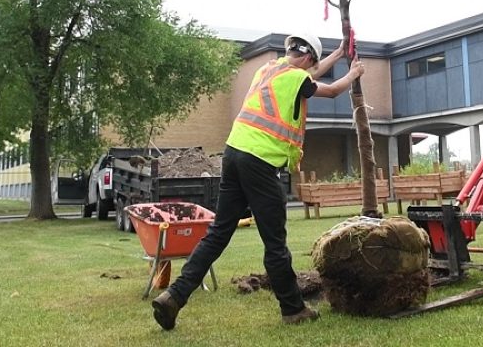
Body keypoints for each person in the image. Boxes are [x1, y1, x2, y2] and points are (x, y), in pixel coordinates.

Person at [152, 32, 365, 331]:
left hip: (233, 153)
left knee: (218, 233)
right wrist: (353, 73)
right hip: (260, 162)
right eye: (313, 63)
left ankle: (174, 296)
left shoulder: (269, 69)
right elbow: (329, 90)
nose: (312, 69)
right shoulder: (297, 78)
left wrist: (340, 53)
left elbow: (310, 75)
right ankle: (293, 309)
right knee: (274, 242)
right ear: (307, 58)